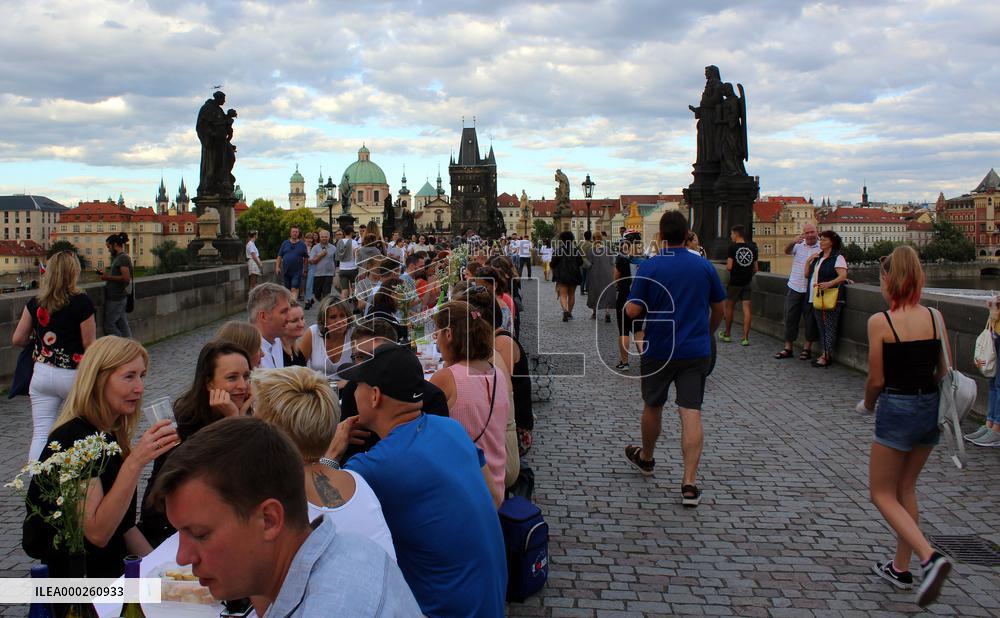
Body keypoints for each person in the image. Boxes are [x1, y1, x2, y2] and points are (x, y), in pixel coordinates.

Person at [148, 417, 421, 617]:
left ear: (269, 520)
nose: (182, 557)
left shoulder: (327, 607)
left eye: (200, 534)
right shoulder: (352, 546)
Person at [334, 343, 507, 617]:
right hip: (490, 600)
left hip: (442, 610)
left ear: (375, 396)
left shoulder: (376, 466)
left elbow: (323, 510)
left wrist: (331, 453)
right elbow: (495, 498)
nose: (353, 393)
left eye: (358, 385)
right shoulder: (452, 429)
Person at [22, 336, 179, 577]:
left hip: (110, 572)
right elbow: (98, 533)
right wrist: (136, 461)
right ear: (98, 380)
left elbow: (123, 527)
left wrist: (164, 572)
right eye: (129, 376)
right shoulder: (75, 438)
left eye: (142, 376)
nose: (139, 387)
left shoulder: (109, 434)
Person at [860, 246, 951, 607]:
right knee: (906, 488)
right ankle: (900, 568)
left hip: (897, 407)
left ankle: (930, 557)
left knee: (881, 493)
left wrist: (867, 405)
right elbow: (944, 371)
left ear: (888, 279)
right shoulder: (935, 317)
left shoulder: (881, 322)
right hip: (929, 407)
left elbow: (876, 379)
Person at [623, 211, 725, 508]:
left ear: (661, 236)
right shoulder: (703, 265)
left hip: (659, 348)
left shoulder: (650, 266)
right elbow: (719, 308)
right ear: (686, 234)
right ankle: (689, 483)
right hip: (695, 350)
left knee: (653, 404)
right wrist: (706, 333)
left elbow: (633, 311)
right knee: (691, 411)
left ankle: (647, 458)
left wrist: (633, 303)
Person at [252, 367, 396, 559]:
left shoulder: (279, 500)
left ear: (272, 432)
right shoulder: (355, 480)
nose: (251, 421)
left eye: (255, 413)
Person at [139, 341, 253, 546]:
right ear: (209, 383)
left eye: (246, 376)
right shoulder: (185, 424)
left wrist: (241, 421)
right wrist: (234, 423)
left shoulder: (248, 414)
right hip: (173, 530)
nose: (243, 386)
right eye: (232, 377)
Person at [12, 250, 96, 462]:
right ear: (74, 272)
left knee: (41, 432)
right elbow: (89, 345)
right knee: (81, 428)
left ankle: (37, 478)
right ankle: (79, 474)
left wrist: (40, 343)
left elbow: (18, 339)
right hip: (73, 375)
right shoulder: (82, 302)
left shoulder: (36, 302)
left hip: (42, 373)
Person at [430, 301, 510, 498]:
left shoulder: (446, 378)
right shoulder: (497, 373)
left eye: (437, 332)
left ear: (449, 334)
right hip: (495, 483)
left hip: (465, 487)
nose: (435, 338)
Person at [774, 223, 822, 360]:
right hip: (795, 286)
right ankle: (788, 347)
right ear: (803, 234)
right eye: (807, 233)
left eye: (812, 232)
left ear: (817, 232)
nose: (810, 235)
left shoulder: (821, 247)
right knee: (790, 317)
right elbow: (786, 251)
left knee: (810, 320)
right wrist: (792, 241)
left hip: (811, 289)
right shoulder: (798, 245)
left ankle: (807, 348)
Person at [805, 230, 848, 368]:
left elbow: (842, 276)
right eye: (821, 239)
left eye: (824, 240)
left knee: (829, 327)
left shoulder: (838, 257)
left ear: (832, 242)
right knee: (821, 327)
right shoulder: (819, 257)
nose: (821, 242)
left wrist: (829, 283)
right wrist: (808, 261)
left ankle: (826, 356)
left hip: (832, 297)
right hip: (818, 296)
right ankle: (824, 354)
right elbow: (807, 275)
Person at [968, 296, 1000, 447]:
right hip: (996, 329)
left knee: (999, 384)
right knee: (993, 382)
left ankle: (997, 429)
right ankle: (989, 423)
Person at [719, 225, 758, 346]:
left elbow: (729, 266)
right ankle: (745, 338)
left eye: (731, 234)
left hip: (735, 283)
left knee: (729, 308)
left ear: (736, 234)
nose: (731, 236)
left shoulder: (732, 247)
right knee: (747, 309)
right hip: (747, 282)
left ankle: (727, 334)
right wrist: (747, 274)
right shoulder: (752, 247)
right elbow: (756, 268)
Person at [300, 296, 355, 378]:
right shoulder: (313, 333)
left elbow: (364, 369)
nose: (339, 321)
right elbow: (298, 367)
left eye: (342, 316)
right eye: (333, 317)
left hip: (348, 385)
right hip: (316, 384)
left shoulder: (355, 335)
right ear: (324, 320)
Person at [614, 233, 643, 371]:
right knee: (638, 330)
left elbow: (615, 279)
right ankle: (645, 359)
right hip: (640, 299)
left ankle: (625, 363)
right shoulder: (645, 260)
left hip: (624, 297)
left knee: (624, 330)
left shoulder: (622, 260)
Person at [248, 282, 292, 369]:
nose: (289, 318)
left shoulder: (276, 340)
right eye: (283, 312)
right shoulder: (250, 353)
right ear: (263, 316)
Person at [99, 232, 133, 337]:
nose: (108, 250)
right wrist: (107, 275)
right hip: (118, 297)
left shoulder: (122, 258)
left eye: (109, 247)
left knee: (109, 326)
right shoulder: (119, 257)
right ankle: (129, 343)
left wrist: (107, 277)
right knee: (122, 324)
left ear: (115, 245)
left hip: (116, 298)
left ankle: (121, 344)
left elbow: (126, 278)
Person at [551, 231, 584, 321]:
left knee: (563, 295)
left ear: (562, 239)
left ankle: (565, 310)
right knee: (572, 294)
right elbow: (580, 262)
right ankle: (569, 312)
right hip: (574, 274)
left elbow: (553, 264)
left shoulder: (558, 250)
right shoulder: (576, 250)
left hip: (562, 275)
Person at [586, 231, 615, 322]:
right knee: (606, 292)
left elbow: (589, 264)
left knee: (594, 292)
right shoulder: (607, 249)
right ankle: (607, 313)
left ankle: (595, 312)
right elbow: (612, 262)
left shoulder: (591, 250)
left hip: (594, 274)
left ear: (593, 239)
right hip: (607, 274)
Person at [275, 227, 309, 301]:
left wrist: (305, 270)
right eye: (293, 232)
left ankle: (293, 304)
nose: (295, 233)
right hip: (286, 270)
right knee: (287, 290)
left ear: (298, 233)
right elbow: (279, 256)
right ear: (290, 233)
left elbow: (306, 258)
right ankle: (289, 303)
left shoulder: (302, 244)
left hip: (297, 271)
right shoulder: (285, 243)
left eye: (296, 232)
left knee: (294, 287)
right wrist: (277, 267)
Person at [307, 229, 336, 304]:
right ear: (319, 237)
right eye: (322, 237)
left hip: (329, 274)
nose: (324, 238)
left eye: (326, 237)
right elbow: (311, 261)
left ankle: (325, 306)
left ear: (329, 237)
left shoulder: (333, 248)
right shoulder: (315, 248)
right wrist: (321, 255)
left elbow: (335, 260)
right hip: (318, 274)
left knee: (326, 294)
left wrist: (335, 271)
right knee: (317, 294)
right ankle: (323, 304)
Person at [336, 226, 360, 300]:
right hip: (353, 269)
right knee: (354, 289)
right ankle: (355, 305)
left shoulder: (339, 242)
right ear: (351, 233)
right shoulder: (354, 242)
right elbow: (357, 255)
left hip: (343, 269)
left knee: (344, 290)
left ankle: (343, 305)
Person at [281, 301, 308, 367]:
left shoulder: (297, 352)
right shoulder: (277, 353)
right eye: (294, 321)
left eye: (302, 318)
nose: (301, 324)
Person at [301, 232, 316, 308]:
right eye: (307, 238)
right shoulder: (301, 246)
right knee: (303, 284)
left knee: (309, 284)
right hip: (303, 266)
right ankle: (310, 297)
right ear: (305, 239)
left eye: (310, 238)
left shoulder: (314, 247)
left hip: (311, 266)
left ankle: (307, 301)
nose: (309, 240)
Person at [579, 230, 593, 295]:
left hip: (581, 261)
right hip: (588, 261)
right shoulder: (591, 245)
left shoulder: (581, 244)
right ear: (590, 237)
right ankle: (587, 290)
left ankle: (582, 290)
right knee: (588, 276)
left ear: (584, 236)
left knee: (582, 277)